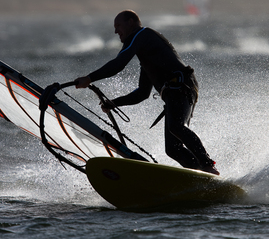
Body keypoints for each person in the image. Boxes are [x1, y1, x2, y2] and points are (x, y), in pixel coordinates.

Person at [75, 10, 219, 175]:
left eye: (118, 26)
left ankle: (208, 165)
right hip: (175, 92)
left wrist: (89, 78)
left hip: (181, 88)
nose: (115, 31)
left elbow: (119, 63)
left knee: (176, 127)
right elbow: (142, 93)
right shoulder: (147, 55)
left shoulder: (142, 35)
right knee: (172, 148)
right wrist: (114, 103)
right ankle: (201, 173)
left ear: (131, 22)